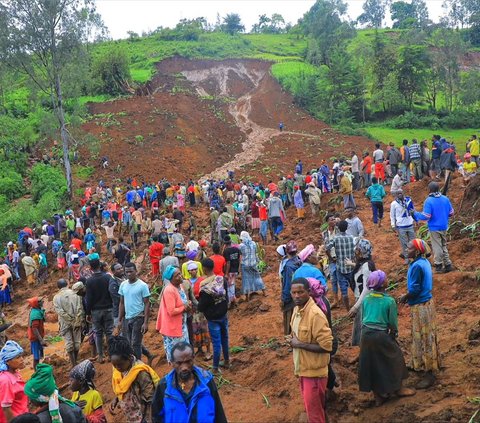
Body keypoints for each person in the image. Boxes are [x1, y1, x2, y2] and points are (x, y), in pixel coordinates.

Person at [358, 271, 415, 405]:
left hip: (366, 335)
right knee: (395, 357)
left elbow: (363, 318)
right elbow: (392, 323)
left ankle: (378, 395)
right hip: (381, 334)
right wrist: (393, 333)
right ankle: (398, 388)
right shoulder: (389, 301)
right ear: (383, 283)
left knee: (371, 364)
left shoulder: (366, 299)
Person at [286, 278, 333, 423]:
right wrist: (292, 341)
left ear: (308, 292)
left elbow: (327, 346)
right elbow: (297, 335)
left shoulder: (315, 315)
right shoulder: (296, 310)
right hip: (303, 369)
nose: (297, 296)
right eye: (294, 292)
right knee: (314, 409)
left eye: (300, 292)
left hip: (314, 374)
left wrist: (299, 344)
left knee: (314, 414)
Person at [399, 240, 440, 389]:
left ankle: (429, 374)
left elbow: (415, 289)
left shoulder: (416, 266)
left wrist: (405, 297)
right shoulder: (423, 261)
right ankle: (426, 363)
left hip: (420, 305)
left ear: (416, 251)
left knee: (423, 337)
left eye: (409, 248)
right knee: (428, 335)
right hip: (427, 303)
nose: (406, 249)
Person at [151, 342, 227, 423]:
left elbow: (218, 412)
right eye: (179, 363)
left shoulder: (207, 381)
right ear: (172, 363)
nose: (184, 367)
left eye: (188, 362)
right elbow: (156, 416)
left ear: (193, 359)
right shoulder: (164, 386)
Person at [109, 336, 159, 423]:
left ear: (129, 358)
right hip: (131, 416)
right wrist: (117, 399)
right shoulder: (119, 371)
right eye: (114, 365)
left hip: (143, 416)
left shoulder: (140, 373)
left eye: (120, 364)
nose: (117, 368)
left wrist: (149, 419)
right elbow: (121, 387)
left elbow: (150, 398)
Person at [197, 259, 229, 374]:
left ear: (204, 269)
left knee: (216, 342)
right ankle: (226, 361)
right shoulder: (221, 279)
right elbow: (226, 296)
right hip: (223, 314)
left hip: (213, 318)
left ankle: (215, 367)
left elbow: (201, 306)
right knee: (225, 339)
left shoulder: (204, 287)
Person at [414, 182, 454, 273]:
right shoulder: (445, 199)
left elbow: (426, 216)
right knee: (443, 245)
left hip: (434, 227)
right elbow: (451, 213)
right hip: (444, 226)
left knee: (437, 246)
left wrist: (416, 214)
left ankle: (438, 265)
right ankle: (448, 264)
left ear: (429, 190)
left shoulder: (429, 200)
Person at [156, 266, 191, 363]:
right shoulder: (169, 290)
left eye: (180, 273)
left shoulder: (180, 286)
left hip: (181, 326)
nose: (180, 276)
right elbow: (171, 311)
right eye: (177, 275)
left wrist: (187, 304)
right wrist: (184, 307)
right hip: (173, 328)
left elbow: (183, 301)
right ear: (171, 279)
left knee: (183, 352)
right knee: (176, 356)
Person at [116, 262, 150, 360]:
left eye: (131, 271)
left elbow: (147, 303)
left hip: (138, 317)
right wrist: (119, 320)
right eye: (127, 272)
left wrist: (146, 322)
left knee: (135, 343)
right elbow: (121, 303)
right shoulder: (123, 285)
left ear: (136, 271)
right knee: (129, 342)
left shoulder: (142, 286)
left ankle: (138, 364)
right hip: (127, 317)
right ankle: (147, 356)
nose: (129, 274)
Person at [346, 239, 375, 348]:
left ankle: (366, 352)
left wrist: (356, 306)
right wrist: (352, 264)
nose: (355, 252)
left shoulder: (367, 266)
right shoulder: (365, 263)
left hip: (364, 302)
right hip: (362, 300)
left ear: (362, 252)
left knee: (364, 329)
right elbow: (361, 270)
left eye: (357, 250)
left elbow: (367, 288)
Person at [85, 258, 114, 363]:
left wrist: (88, 313)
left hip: (96, 311)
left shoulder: (89, 281)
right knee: (109, 332)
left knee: (98, 333)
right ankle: (111, 355)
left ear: (90, 268)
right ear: (100, 266)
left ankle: (101, 356)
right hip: (108, 308)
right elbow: (111, 292)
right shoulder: (107, 278)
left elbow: (89, 299)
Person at [53, 279, 84, 367]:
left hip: (64, 322)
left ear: (58, 287)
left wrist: (69, 319)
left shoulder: (56, 297)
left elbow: (60, 311)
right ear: (67, 284)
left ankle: (73, 363)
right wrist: (76, 319)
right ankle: (76, 360)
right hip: (76, 321)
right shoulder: (75, 294)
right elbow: (80, 307)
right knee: (77, 342)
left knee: (69, 343)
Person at [326, 220, 355, 311]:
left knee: (344, 291)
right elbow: (356, 249)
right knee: (354, 287)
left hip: (340, 267)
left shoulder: (335, 238)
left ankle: (348, 310)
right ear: (347, 228)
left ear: (338, 228)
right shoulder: (351, 237)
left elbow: (327, 248)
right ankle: (358, 303)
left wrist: (331, 258)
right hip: (350, 266)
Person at [0, 341, 28, 422]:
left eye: (21, 356)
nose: (22, 359)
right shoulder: (5, 380)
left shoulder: (16, 373)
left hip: (22, 416)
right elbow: (6, 408)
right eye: (17, 357)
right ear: (8, 361)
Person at [281, 241, 302, 335]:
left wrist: (284, 299)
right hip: (302, 292)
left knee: (289, 318)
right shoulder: (299, 261)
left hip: (292, 296)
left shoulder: (288, 266)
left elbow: (287, 284)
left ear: (287, 252)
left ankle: (290, 338)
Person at [390, 190, 416, 264]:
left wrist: (415, 219)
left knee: (413, 242)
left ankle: (414, 257)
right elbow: (392, 215)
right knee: (404, 243)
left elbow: (413, 210)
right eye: (398, 194)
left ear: (404, 193)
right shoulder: (394, 204)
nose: (400, 195)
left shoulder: (408, 201)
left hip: (410, 224)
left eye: (401, 193)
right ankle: (407, 258)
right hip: (401, 226)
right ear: (396, 195)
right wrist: (393, 225)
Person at [239, 232, 265, 302]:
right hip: (253, 263)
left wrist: (239, 267)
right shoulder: (253, 243)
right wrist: (258, 261)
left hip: (245, 264)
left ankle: (247, 297)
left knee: (246, 280)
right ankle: (264, 292)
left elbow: (240, 256)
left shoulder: (241, 246)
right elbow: (256, 253)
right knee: (257, 277)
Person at [27, 297, 46, 371]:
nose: (43, 302)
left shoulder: (36, 310)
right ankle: (36, 372)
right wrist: (41, 340)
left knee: (39, 355)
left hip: (37, 337)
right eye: (40, 301)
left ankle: (38, 369)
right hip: (35, 338)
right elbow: (34, 328)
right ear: (36, 304)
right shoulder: (35, 314)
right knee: (36, 357)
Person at [223, 236, 240, 306]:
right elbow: (239, 259)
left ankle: (231, 301)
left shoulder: (226, 251)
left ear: (225, 244)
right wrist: (239, 269)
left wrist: (226, 273)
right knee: (232, 284)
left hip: (230, 271)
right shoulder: (236, 249)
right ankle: (233, 299)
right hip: (235, 269)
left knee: (230, 286)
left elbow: (228, 262)